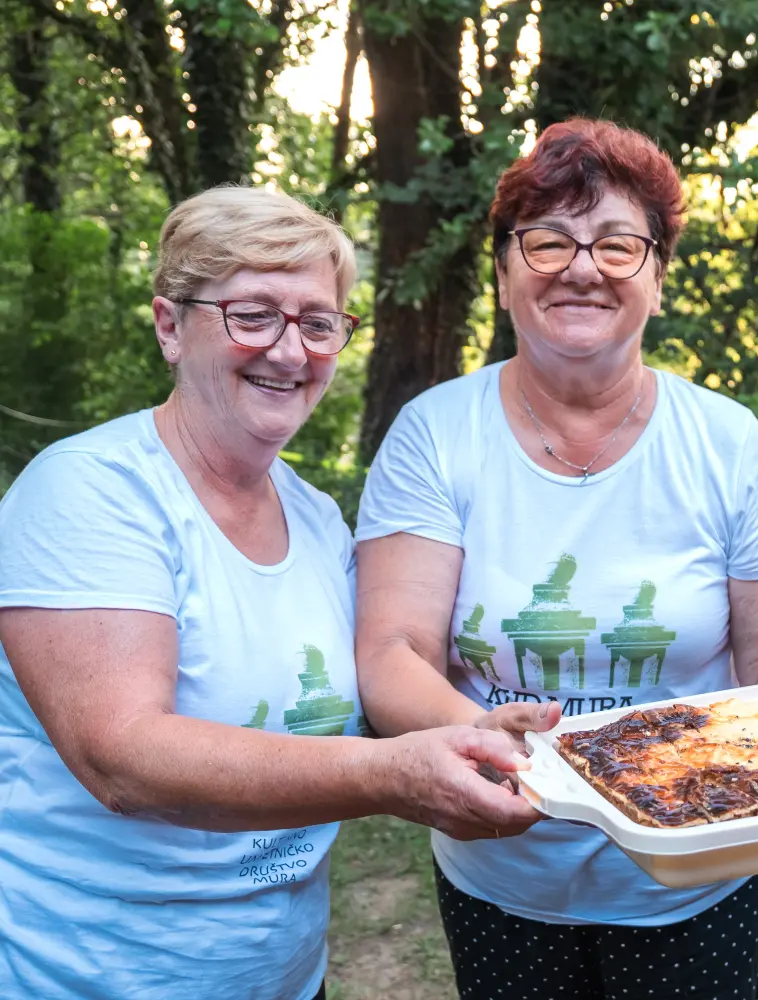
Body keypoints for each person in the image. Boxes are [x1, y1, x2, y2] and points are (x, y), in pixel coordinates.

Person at [353, 118, 758, 1000]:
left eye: (620, 245)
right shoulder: (435, 434)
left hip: (696, 868)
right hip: (502, 870)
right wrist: (483, 739)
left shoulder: (728, 442)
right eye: (547, 241)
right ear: (505, 275)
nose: (583, 267)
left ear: (657, 280)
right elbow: (392, 652)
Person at [0, 187, 550, 1000]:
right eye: (252, 314)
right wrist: (390, 776)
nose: (291, 352)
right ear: (168, 325)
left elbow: (346, 694)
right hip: (90, 978)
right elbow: (120, 757)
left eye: (318, 323)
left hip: (286, 978)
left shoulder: (317, 518)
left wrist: (475, 731)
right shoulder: (88, 494)